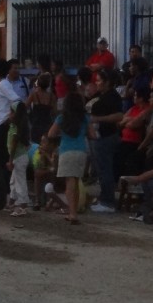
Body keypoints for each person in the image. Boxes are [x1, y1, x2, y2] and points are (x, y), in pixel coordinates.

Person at [48, 91, 95, 224]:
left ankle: (72, 213)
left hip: (66, 150)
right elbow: (93, 135)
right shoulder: (84, 118)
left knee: (69, 182)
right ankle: (75, 211)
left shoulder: (62, 118)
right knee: (77, 181)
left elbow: (51, 134)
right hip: (81, 151)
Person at [88, 69, 123, 213]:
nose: (97, 83)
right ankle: (104, 197)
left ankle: (108, 201)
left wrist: (98, 119)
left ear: (107, 82)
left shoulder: (112, 97)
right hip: (98, 135)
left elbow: (119, 116)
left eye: (99, 80)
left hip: (106, 136)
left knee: (105, 168)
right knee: (101, 168)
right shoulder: (101, 95)